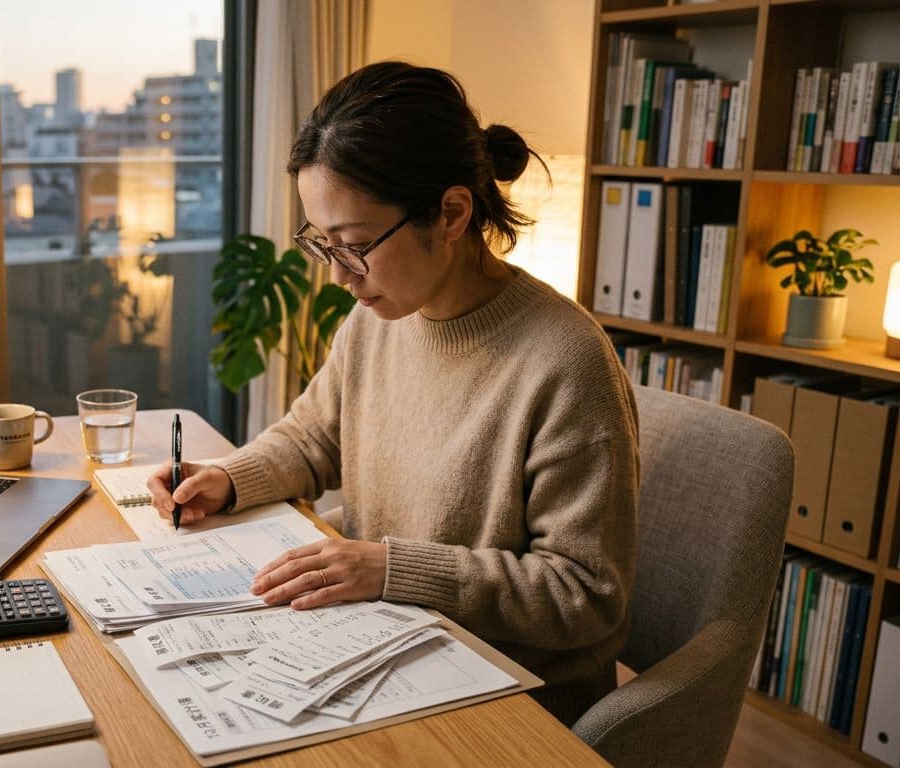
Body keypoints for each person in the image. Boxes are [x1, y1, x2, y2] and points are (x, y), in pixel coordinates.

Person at [146, 61, 638, 727]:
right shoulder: (380, 319)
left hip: (507, 698)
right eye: (324, 246)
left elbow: (584, 595)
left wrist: (394, 570)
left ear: (452, 212)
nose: (339, 278)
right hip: (383, 652)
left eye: (353, 246)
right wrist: (226, 478)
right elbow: (315, 437)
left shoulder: (566, 361)